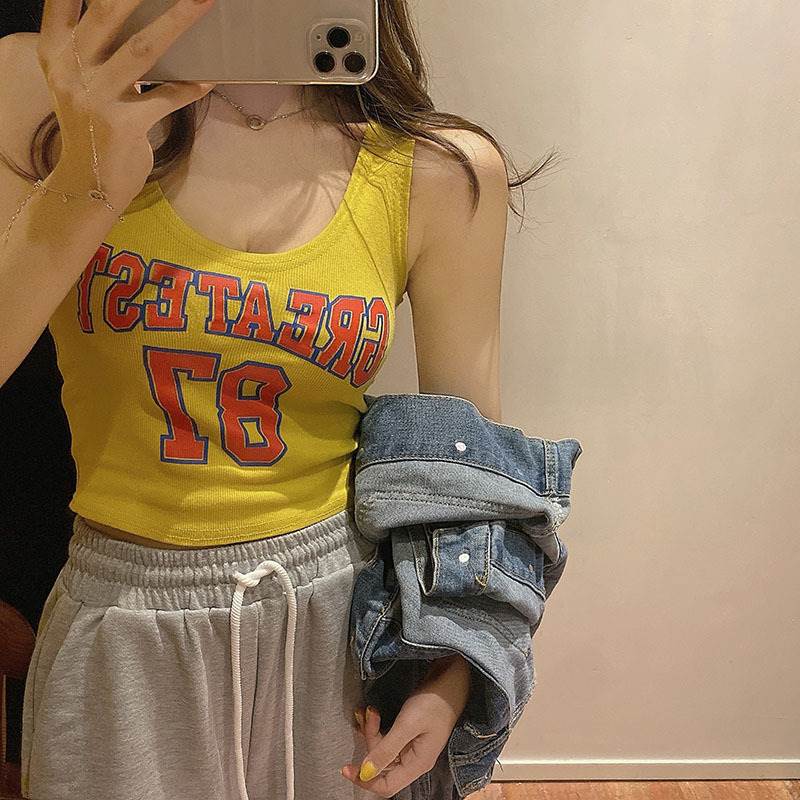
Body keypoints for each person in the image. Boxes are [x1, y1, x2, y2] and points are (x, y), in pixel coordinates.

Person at [0, 1, 554, 798]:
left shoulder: (435, 170)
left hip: (337, 630)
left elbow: (471, 472)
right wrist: (85, 184)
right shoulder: (42, 90)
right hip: (118, 622)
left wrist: (452, 672)